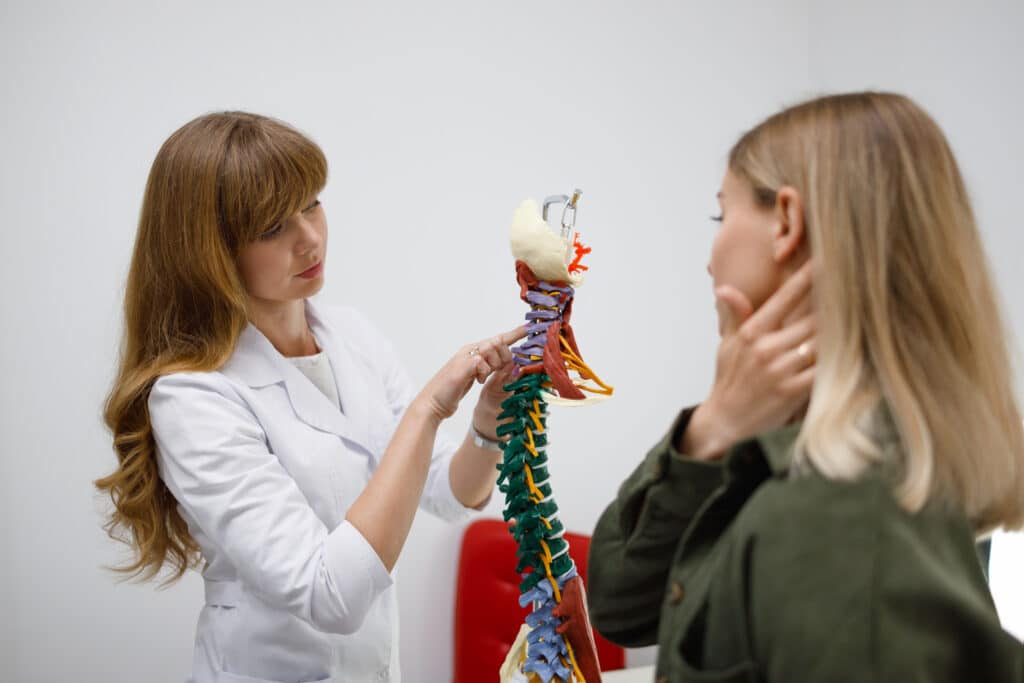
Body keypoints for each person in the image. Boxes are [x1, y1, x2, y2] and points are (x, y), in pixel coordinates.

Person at [587, 92, 1024, 681]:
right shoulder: (827, 458)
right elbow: (618, 604)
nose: (710, 262)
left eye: (722, 216)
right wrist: (711, 429)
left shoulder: (838, 517)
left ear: (787, 223)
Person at [95, 111, 524, 682]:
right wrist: (428, 410)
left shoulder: (351, 336)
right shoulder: (192, 398)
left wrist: (489, 420)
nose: (310, 237)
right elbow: (331, 596)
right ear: (210, 253)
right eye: (273, 227)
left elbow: (452, 492)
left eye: (312, 203)